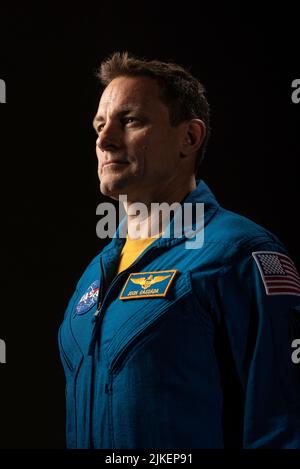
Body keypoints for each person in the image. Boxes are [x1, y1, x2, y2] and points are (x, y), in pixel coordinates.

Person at [58, 52, 300, 449]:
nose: (104, 140)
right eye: (99, 126)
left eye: (130, 121)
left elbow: (281, 427)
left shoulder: (240, 255)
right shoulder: (94, 276)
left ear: (189, 137)